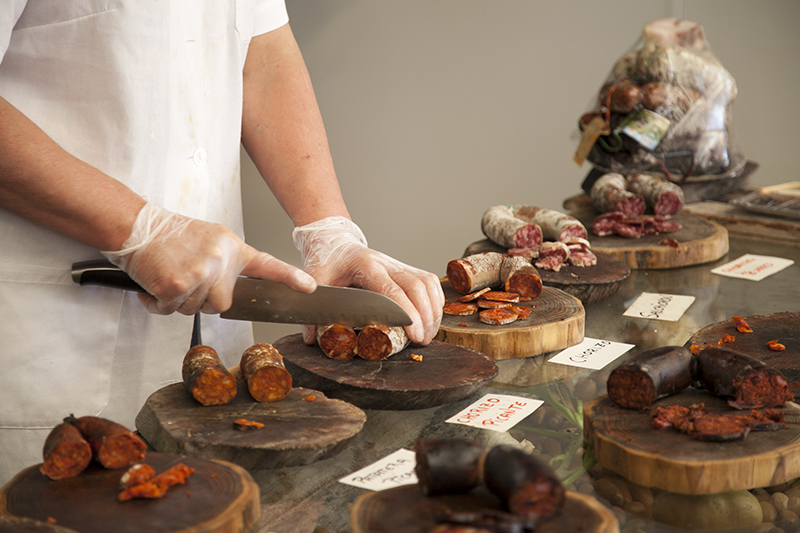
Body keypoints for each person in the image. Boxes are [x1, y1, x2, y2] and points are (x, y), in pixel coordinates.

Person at [0, 1, 443, 486]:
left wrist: (327, 229)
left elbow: (263, 54)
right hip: (58, 320)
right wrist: (136, 226)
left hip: (210, 312)